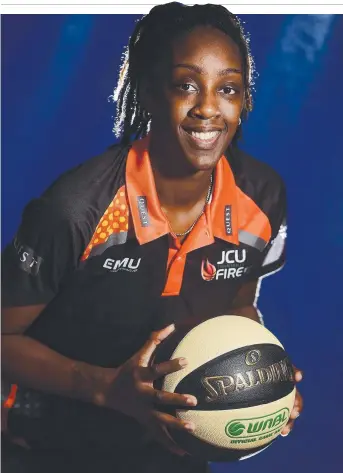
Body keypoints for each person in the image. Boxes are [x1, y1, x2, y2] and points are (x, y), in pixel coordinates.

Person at [1, 3, 303, 473]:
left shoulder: (261, 196)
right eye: (186, 84)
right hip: (45, 448)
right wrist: (102, 386)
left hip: (170, 449)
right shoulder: (78, 208)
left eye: (227, 88)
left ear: (244, 100)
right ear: (148, 90)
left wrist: (263, 379)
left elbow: (238, 303)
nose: (207, 107)